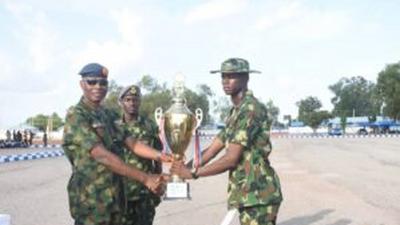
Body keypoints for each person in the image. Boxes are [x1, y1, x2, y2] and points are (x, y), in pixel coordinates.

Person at [171, 58, 283, 225]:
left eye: (231, 77)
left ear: (246, 79)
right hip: (249, 194)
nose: (225, 81)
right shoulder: (235, 112)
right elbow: (213, 149)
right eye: (223, 77)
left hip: (259, 194)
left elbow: (231, 159)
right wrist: (181, 169)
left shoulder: (250, 109)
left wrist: (194, 174)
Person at [62, 63, 172, 225]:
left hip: (116, 200)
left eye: (103, 83)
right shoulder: (77, 115)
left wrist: (163, 156)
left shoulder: (108, 114)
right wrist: (145, 178)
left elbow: (132, 143)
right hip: (92, 203)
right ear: (82, 84)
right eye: (92, 82)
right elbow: (101, 156)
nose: (98, 87)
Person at [117, 85, 163, 225]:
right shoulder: (114, 126)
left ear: (140, 102)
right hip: (121, 191)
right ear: (121, 102)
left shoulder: (149, 126)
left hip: (144, 191)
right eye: (128, 99)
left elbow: (158, 157)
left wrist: (159, 181)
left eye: (135, 100)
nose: (132, 103)